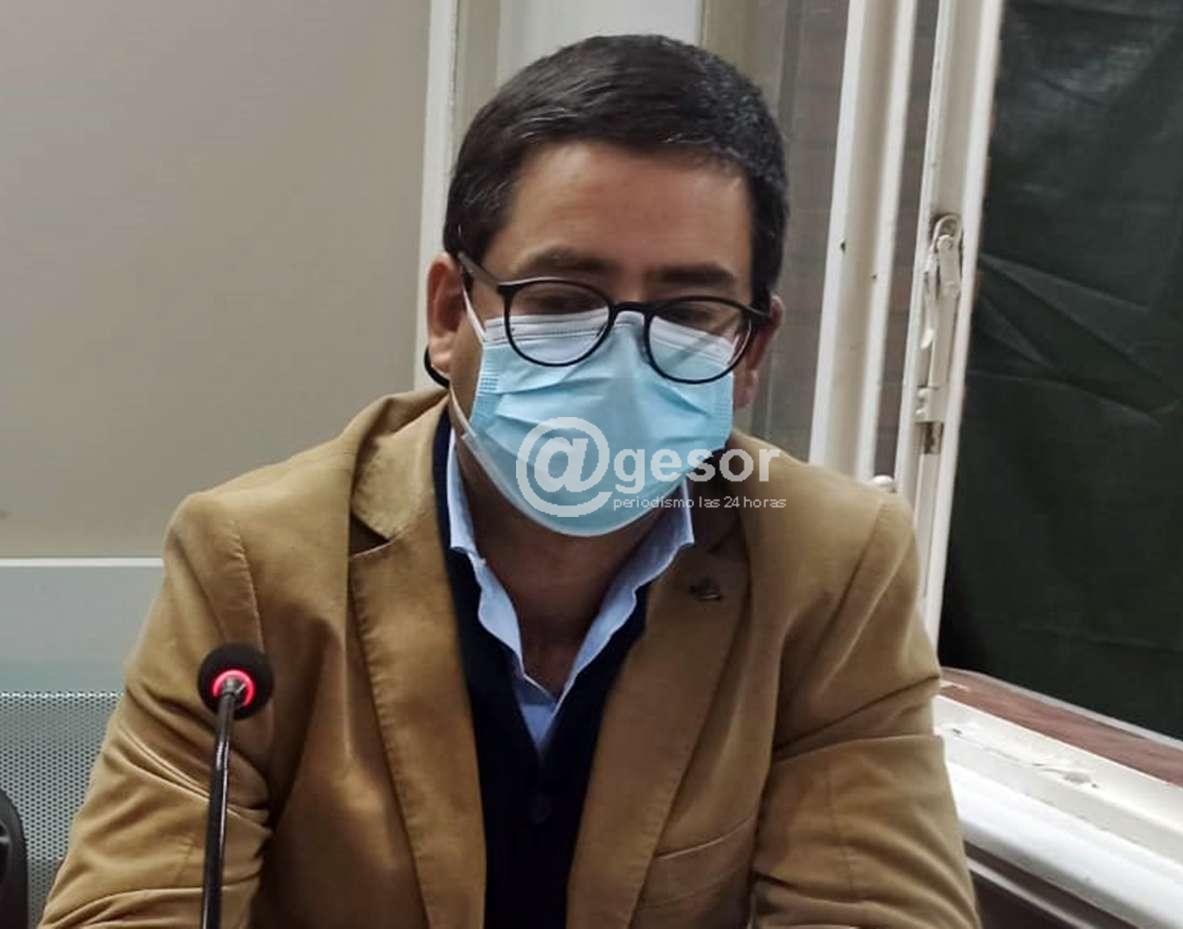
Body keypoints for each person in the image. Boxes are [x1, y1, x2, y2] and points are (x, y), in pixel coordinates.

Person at [40, 34, 980, 929]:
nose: (622, 360)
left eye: (689, 311)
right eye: (562, 300)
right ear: (452, 314)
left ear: (751, 350)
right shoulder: (253, 561)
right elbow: (130, 908)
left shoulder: (830, 566)